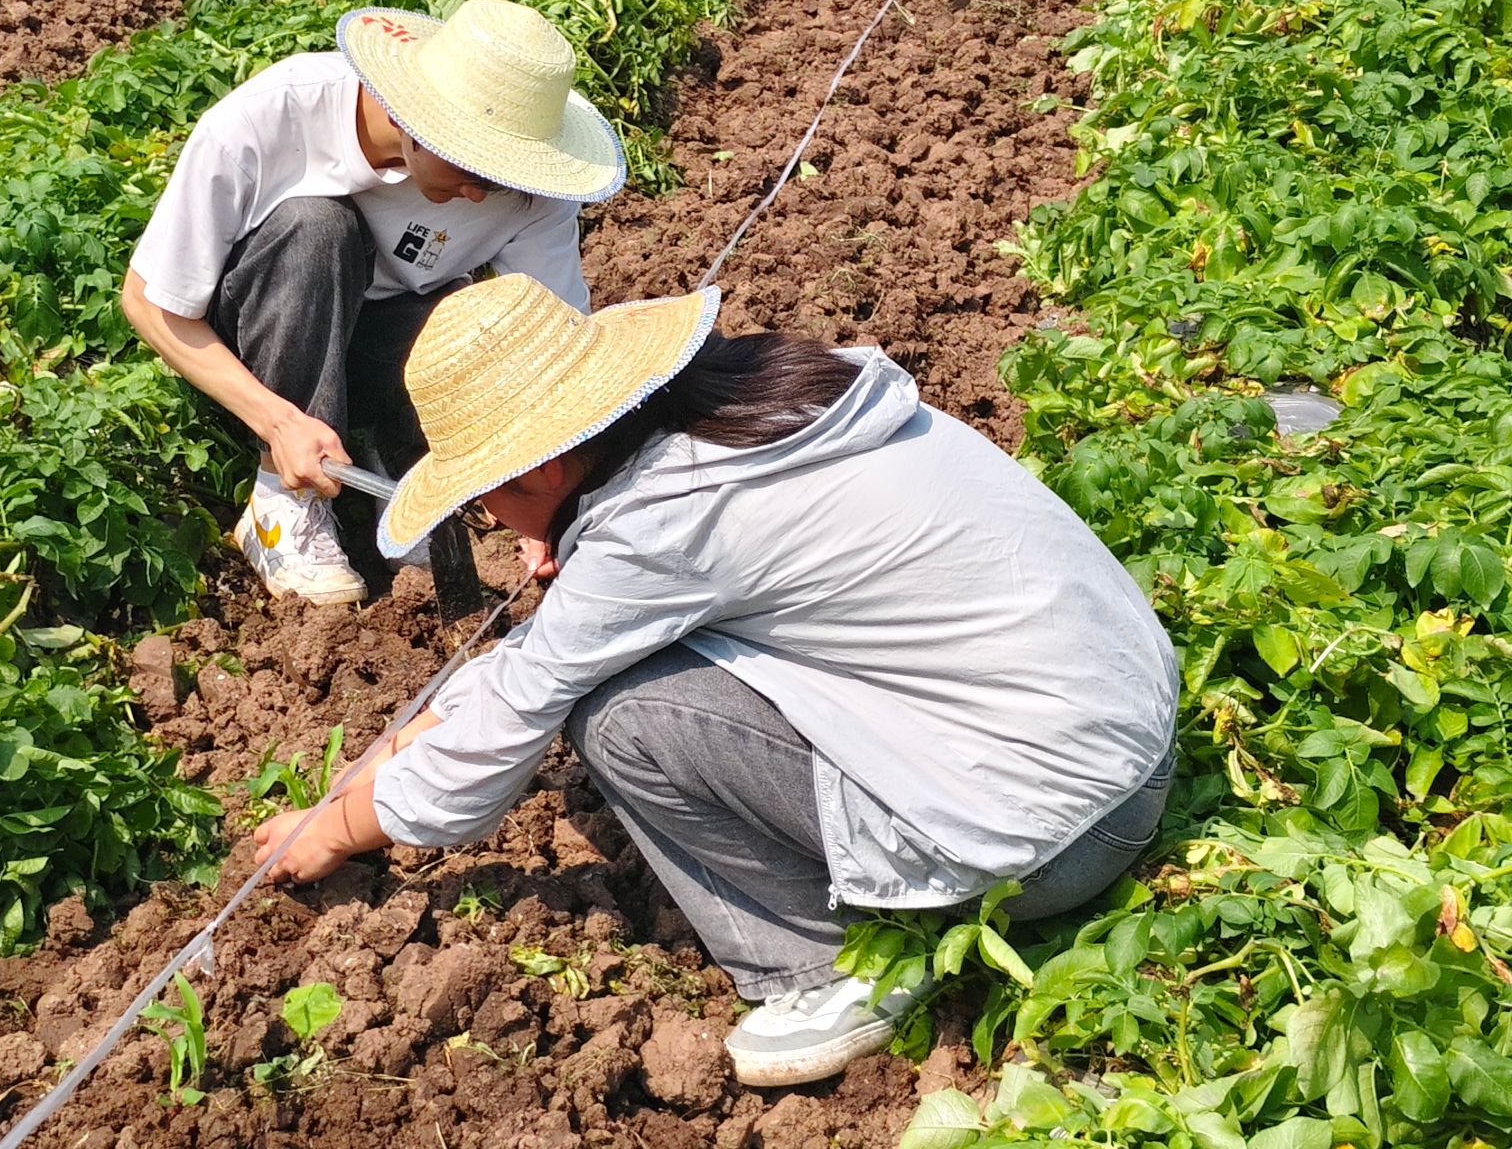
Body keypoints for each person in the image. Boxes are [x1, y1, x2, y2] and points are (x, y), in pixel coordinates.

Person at [253, 275, 1178, 1087]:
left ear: (545, 464)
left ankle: (826, 973)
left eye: (486, 489)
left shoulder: (662, 521)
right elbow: (543, 654)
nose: (489, 517)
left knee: (621, 717)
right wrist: (380, 759)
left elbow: (514, 720)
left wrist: (334, 829)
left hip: (1051, 841)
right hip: (1125, 739)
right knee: (643, 658)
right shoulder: (761, 398)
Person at [120, 0, 625, 605]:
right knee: (317, 228)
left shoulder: (528, 191)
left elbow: (553, 348)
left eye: (501, 178)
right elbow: (150, 302)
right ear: (415, 117)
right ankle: (284, 501)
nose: (480, 194)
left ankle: (402, 457)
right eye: (475, 170)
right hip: (263, 342)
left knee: (479, 318)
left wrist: (558, 499)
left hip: (382, 341)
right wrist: (278, 421)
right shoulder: (272, 118)